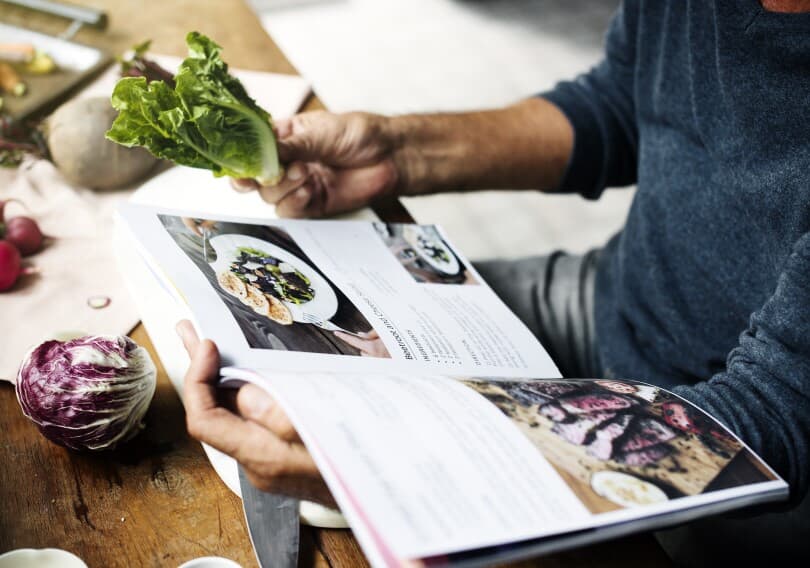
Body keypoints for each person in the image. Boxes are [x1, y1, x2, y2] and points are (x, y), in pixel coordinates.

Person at [179, 0, 810, 563]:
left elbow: (777, 411)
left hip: (744, 441)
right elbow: (625, 102)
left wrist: (403, 464)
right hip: (613, 297)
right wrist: (394, 152)